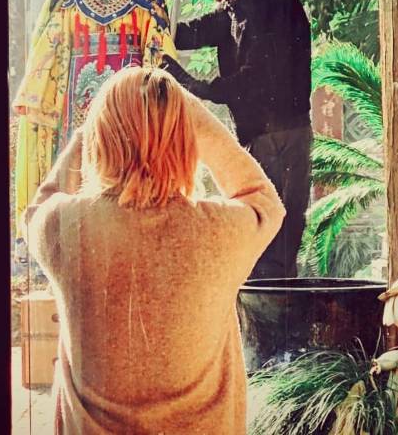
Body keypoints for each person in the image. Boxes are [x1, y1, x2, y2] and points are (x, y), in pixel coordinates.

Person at [25, 66, 285, 434]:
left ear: (101, 137)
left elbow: (38, 207)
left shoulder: (66, 226)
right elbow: (265, 201)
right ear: (187, 139)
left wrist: (88, 133)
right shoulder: (217, 229)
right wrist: (194, 118)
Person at [12, 0, 176, 247]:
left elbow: (158, 47)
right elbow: (49, 42)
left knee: (129, 165)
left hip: (130, 97)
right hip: (77, 95)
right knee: (78, 166)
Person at [162, 0, 311, 279]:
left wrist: (194, 85)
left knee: (269, 238)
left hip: (277, 138)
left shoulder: (268, 8)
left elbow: (254, 79)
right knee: (266, 237)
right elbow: (201, 30)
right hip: (266, 134)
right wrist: (159, 30)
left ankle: (270, 308)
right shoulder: (242, 3)